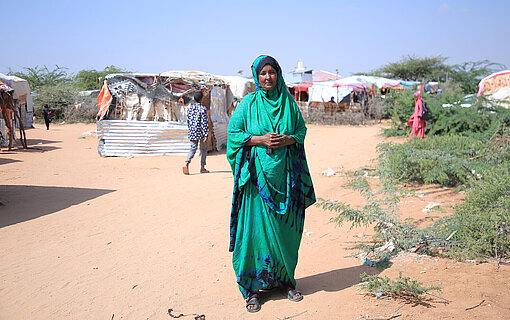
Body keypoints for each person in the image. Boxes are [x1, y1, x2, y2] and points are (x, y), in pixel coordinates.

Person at [227, 55, 316, 313]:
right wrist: (260, 140)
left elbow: (300, 131)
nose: (268, 77)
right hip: (256, 182)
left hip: (286, 180)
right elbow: (234, 135)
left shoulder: (288, 102)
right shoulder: (248, 104)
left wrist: (287, 140)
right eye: (263, 73)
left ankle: (285, 281)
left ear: (278, 74)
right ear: (257, 76)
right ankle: (252, 289)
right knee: (254, 232)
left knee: (285, 234)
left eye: (272, 72)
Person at [183, 91, 209, 175]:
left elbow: (188, 121)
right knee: (204, 149)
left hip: (192, 132)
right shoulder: (203, 109)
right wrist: (206, 134)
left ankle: (187, 162)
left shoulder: (190, 108)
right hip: (200, 132)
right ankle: (202, 167)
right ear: (202, 99)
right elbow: (203, 123)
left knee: (193, 149)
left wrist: (190, 130)